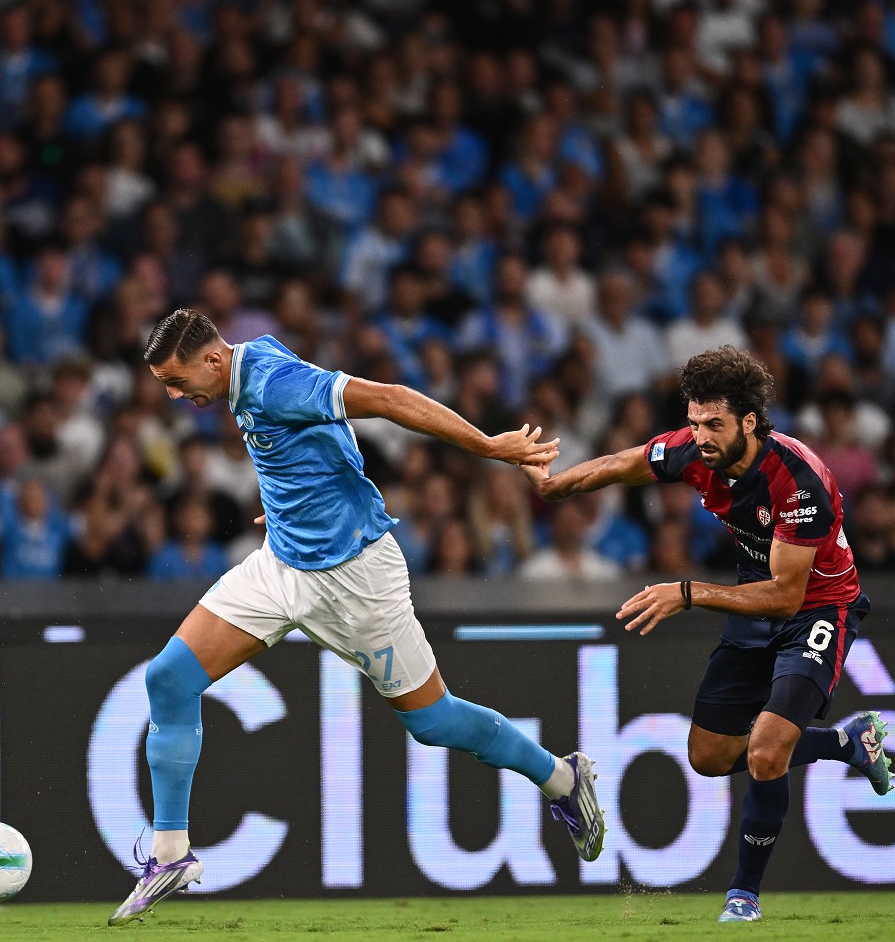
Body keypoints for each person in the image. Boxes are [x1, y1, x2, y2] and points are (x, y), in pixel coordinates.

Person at [109, 309, 606, 926]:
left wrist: (487, 446)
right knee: (168, 679)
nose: (172, 396)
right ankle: (170, 856)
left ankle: (561, 778)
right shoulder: (244, 365)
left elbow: (389, 399)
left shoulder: (272, 382)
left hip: (357, 578)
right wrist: (288, 502)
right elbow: (312, 437)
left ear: (212, 359)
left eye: (175, 381)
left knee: (434, 721)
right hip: (282, 565)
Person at [519, 345, 891, 924]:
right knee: (709, 757)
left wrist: (688, 593)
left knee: (766, 751)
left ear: (750, 421)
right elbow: (620, 463)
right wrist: (552, 488)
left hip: (818, 608)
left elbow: (787, 595)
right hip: (754, 601)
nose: (701, 437)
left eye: (714, 424)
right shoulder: (694, 451)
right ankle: (846, 743)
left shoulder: (797, 480)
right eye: (694, 422)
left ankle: (743, 896)